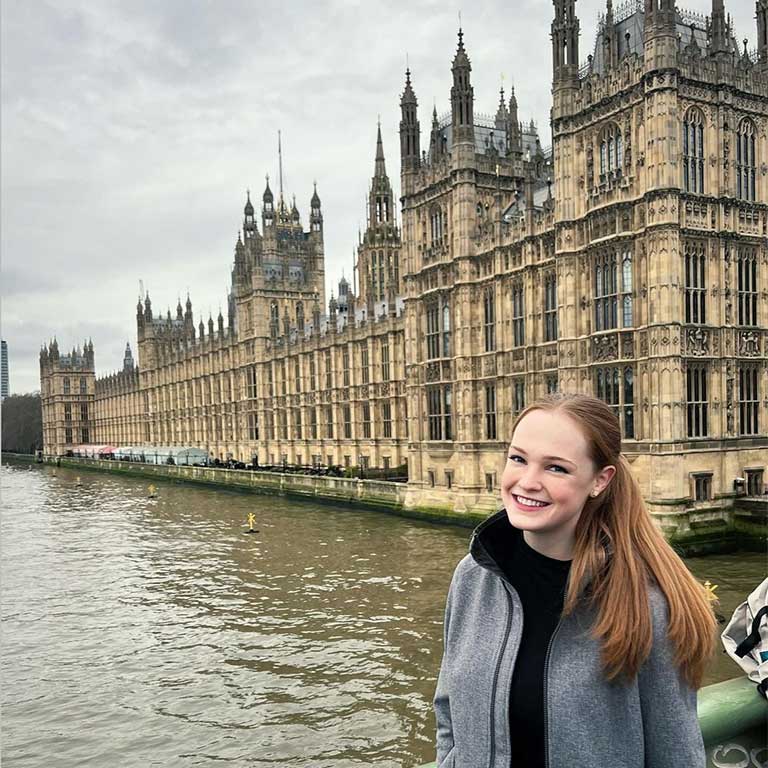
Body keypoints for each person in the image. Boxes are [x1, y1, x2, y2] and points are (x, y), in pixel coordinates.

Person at [433, 393, 716, 768]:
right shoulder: (472, 576)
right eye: (518, 459)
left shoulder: (646, 605)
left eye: (556, 469)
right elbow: (448, 708)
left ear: (600, 480)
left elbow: (676, 753)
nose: (528, 482)